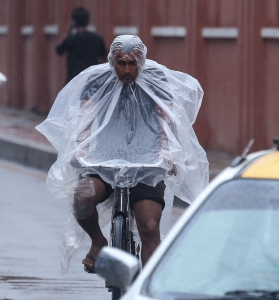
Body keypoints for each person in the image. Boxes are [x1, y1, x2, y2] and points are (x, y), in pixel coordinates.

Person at [36, 35, 209, 275]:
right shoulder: (97, 81)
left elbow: (166, 122)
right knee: (82, 199)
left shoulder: (157, 81)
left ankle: (147, 288)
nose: (127, 70)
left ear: (142, 61)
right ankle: (98, 242)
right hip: (102, 162)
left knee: (149, 227)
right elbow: (85, 119)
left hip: (147, 165)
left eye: (132, 63)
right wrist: (81, 148)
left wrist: (166, 153)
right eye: (121, 63)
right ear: (111, 62)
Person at [56, 7, 107, 84]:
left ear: (74, 22)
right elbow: (104, 55)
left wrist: (67, 33)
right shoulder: (97, 38)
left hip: (74, 77)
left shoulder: (71, 38)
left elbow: (59, 50)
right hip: (91, 77)